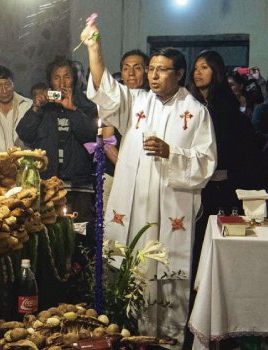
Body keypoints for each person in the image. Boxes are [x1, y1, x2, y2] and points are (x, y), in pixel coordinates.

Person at [82, 22, 216, 344]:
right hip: (134, 210)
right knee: (128, 271)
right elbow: (105, 90)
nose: (153, 75)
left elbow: (207, 162)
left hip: (170, 212)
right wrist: (94, 49)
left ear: (179, 73)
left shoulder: (195, 112)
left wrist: (172, 152)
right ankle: (126, 335)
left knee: (166, 275)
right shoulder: (137, 102)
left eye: (162, 70)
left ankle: (167, 340)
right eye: (151, 69)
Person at [184, 49, 263, 349]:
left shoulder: (225, 108)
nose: (198, 72)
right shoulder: (191, 106)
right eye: (196, 67)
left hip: (221, 193)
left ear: (216, 71)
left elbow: (238, 152)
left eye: (205, 67)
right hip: (197, 192)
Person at [17, 58, 97, 225]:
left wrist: (73, 110)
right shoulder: (43, 109)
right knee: (51, 234)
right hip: (48, 186)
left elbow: (92, 136)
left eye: (67, 76)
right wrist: (36, 108)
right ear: (50, 82)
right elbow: (24, 133)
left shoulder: (87, 105)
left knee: (79, 237)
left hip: (79, 187)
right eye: (56, 77)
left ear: (74, 79)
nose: (62, 82)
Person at [101, 50, 150, 206]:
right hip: (115, 172)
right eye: (126, 68)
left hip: (146, 175)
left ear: (147, 71)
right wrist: (127, 167)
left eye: (137, 68)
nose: (131, 73)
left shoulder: (154, 101)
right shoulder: (114, 100)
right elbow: (108, 142)